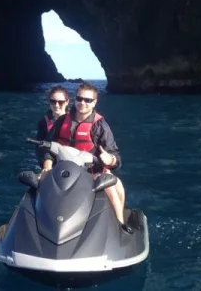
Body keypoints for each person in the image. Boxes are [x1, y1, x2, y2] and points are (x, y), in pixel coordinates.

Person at [40, 82, 130, 231]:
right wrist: (47, 166)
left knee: (114, 189)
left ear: (95, 102)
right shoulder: (62, 121)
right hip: (62, 174)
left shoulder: (101, 126)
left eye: (88, 100)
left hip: (91, 174)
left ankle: (120, 226)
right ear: (75, 99)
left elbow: (116, 157)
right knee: (36, 183)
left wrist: (110, 159)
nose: (82, 103)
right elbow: (49, 147)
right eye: (79, 98)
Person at [35, 85, 70, 167]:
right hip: (52, 166)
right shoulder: (43, 122)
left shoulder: (75, 120)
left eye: (60, 102)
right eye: (53, 101)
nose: (56, 105)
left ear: (67, 102)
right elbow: (40, 149)